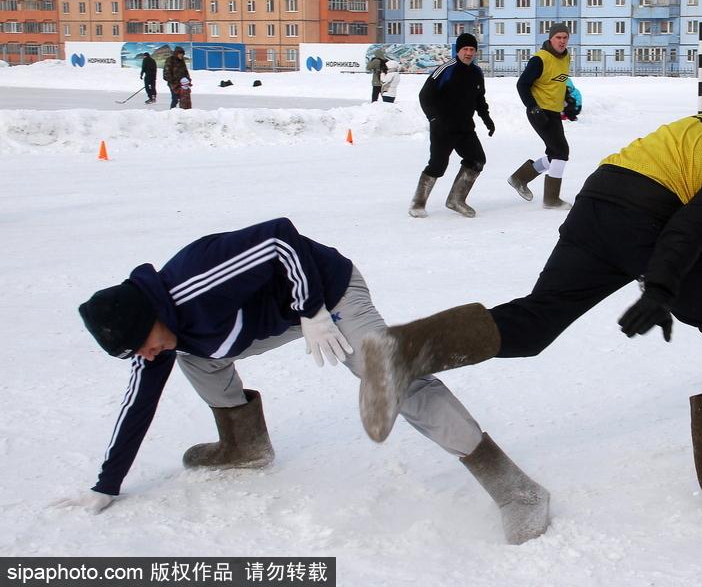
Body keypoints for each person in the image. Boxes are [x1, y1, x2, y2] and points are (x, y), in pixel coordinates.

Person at [359, 105, 702, 517]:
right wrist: (661, 287)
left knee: (537, 320)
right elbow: (693, 224)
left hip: (601, 196)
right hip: (648, 217)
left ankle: (403, 349)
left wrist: (658, 276)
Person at [56, 218, 549, 545]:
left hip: (327, 293)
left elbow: (279, 236)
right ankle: (244, 448)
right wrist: (107, 484)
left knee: (384, 372)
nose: (144, 355)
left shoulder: (193, 279)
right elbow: (138, 403)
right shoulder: (160, 337)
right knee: (196, 359)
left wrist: (312, 310)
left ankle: (516, 490)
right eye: (135, 354)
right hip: (278, 319)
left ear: (149, 315)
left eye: (142, 344)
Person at [408, 32, 495, 219]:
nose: (469, 53)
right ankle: (418, 202)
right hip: (443, 126)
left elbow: (479, 98)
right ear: (458, 50)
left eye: (472, 49)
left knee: (477, 160)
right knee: (438, 164)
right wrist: (434, 118)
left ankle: (456, 199)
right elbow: (425, 95)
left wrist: (487, 119)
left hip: (464, 128)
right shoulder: (446, 69)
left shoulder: (477, 73)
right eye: (465, 49)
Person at [507, 23, 573, 209]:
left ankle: (520, 178)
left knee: (556, 153)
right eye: (558, 37)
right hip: (539, 112)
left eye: (565, 37)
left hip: (553, 111)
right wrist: (533, 107)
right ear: (550, 39)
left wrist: (567, 101)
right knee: (561, 152)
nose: (562, 41)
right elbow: (522, 84)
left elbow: (558, 82)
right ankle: (551, 199)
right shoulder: (540, 59)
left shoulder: (566, 57)